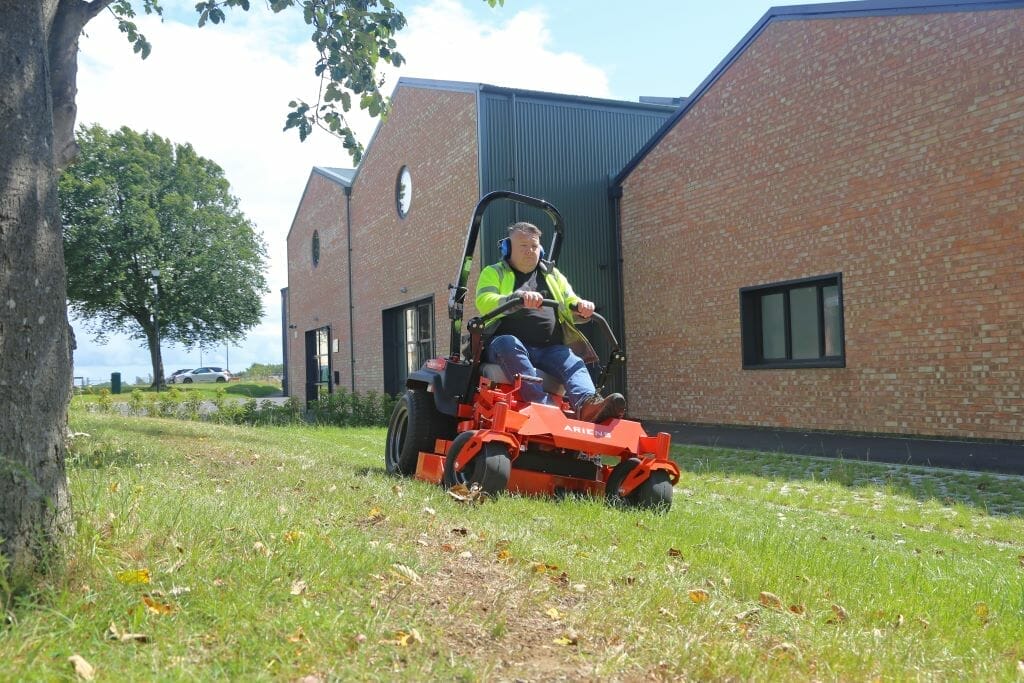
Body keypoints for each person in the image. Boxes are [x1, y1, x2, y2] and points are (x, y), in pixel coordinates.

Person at [475, 221, 626, 423]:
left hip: (550, 349)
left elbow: (569, 299)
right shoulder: (493, 272)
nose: (530, 251)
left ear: (541, 249)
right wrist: (516, 299)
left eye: (534, 246)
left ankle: (588, 406)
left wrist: (581, 306)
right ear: (508, 248)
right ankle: (542, 404)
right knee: (507, 343)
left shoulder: (552, 275)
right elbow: (484, 302)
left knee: (572, 360)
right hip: (508, 346)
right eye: (523, 246)